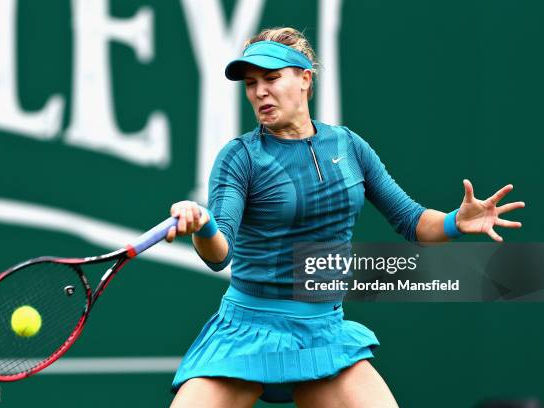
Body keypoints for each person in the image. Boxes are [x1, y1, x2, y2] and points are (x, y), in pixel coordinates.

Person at [165, 27, 525, 407]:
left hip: (323, 334)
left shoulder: (348, 146)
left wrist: (456, 221)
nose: (259, 92)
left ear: (305, 79)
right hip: (248, 333)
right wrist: (204, 225)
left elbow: (414, 222)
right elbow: (219, 254)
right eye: (251, 84)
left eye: (271, 78)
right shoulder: (239, 158)